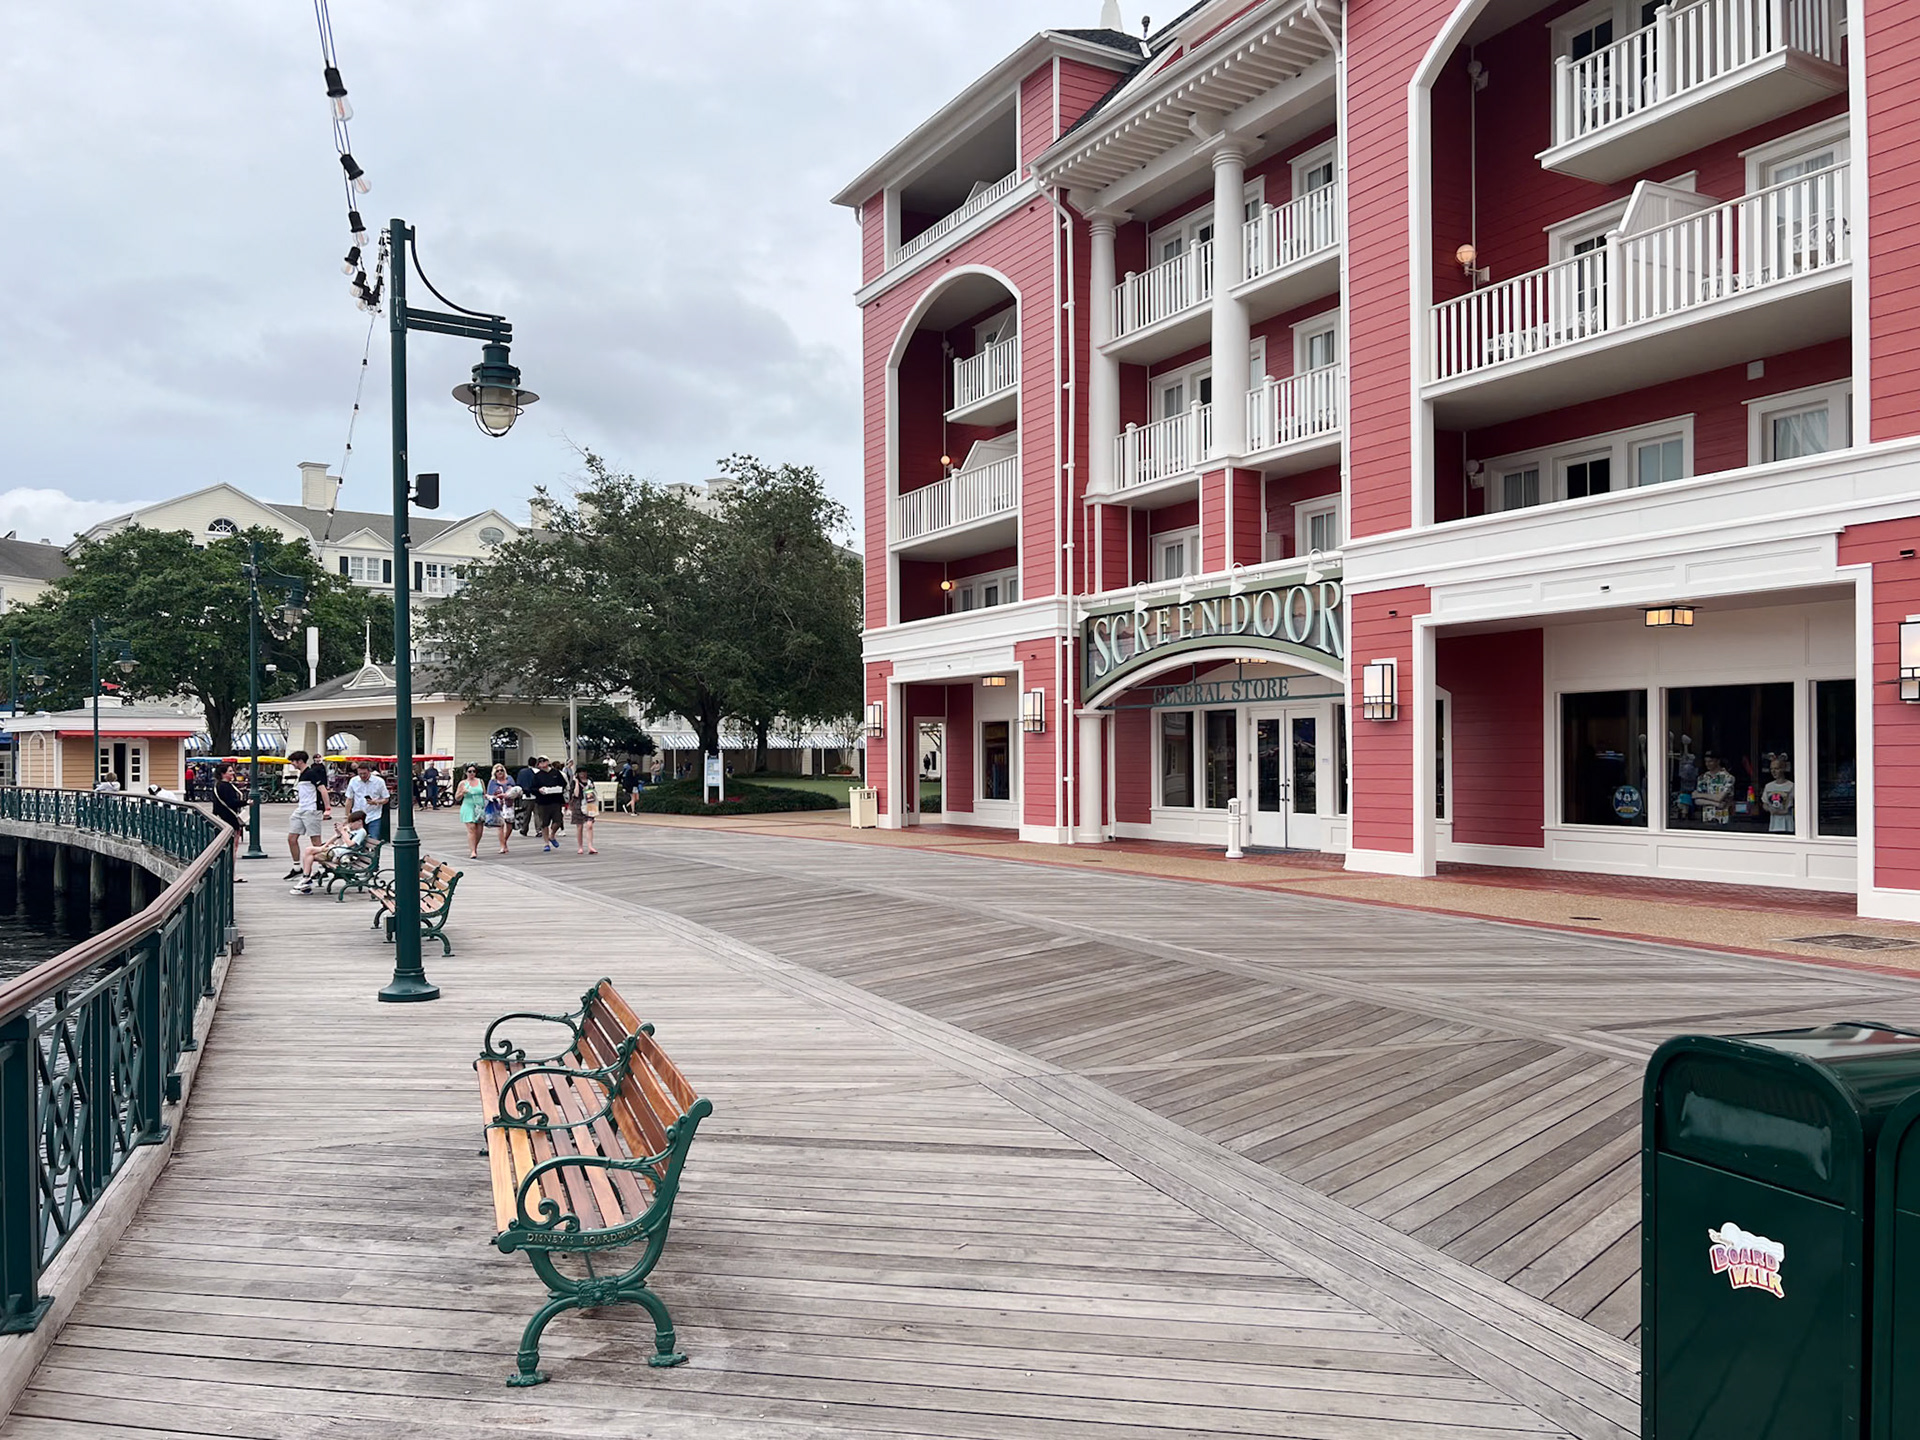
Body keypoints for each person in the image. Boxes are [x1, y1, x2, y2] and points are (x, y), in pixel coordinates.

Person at [290, 809, 367, 895]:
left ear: (360, 821)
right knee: (309, 855)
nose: (350, 825)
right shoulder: (353, 831)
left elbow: (349, 844)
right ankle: (306, 879)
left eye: (352, 822)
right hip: (335, 851)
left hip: (339, 854)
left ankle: (306, 879)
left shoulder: (361, 832)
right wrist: (337, 834)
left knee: (309, 852)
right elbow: (341, 841)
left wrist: (343, 832)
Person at [283, 750, 331, 880]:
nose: (292, 764)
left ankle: (322, 868)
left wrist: (327, 808)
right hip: (301, 809)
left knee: (315, 840)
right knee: (291, 838)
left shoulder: (311, 773)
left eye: (293, 762)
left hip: (312, 810)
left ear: (299, 761)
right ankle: (297, 867)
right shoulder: (302, 774)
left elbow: (323, 790)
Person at [212, 763, 248, 882]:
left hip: (221, 819)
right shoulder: (226, 786)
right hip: (230, 820)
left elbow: (216, 806)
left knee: (224, 848)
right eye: (230, 771)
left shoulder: (217, 786)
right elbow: (232, 802)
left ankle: (223, 873)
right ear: (223, 773)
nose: (233, 773)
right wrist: (246, 802)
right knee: (232, 848)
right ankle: (231, 874)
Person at [346, 761, 391, 841]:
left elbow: (386, 798)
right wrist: (347, 815)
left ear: (369, 772)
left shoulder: (379, 781)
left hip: (373, 815)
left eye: (365, 774)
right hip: (358, 815)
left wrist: (377, 802)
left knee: (374, 840)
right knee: (357, 840)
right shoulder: (353, 781)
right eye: (360, 774)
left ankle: (374, 853)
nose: (362, 776)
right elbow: (349, 799)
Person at [531, 759, 567, 851]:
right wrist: (539, 790)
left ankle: (552, 835)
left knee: (558, 821)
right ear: (538, 765)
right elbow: (532, 788)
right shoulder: (537, 776)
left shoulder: (556, 773)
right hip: (543, 802)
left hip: (556, 800)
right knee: (544, 823)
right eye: (540, 762)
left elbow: (563, 784)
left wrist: (558, 788)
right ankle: (546, 843)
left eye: (544, 761)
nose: (543, 763)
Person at [456, 765, 488, 859]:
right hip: (468, 806)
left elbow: (484, 794)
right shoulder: (463, 783)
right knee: (472, 828)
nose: (472, 773)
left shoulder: (480, 781)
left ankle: (474, 846)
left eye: (474, 771)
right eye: (470, 771)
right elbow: (457, 797)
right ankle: (473, 851)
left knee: (479, 831)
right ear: (466, 773)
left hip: (479, 807)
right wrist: (462, 793)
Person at [486, 763, 517, 856]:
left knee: (510, 825)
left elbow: (515, 791)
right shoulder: (492, 782)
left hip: (508, 804)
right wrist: (495, 796)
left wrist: (509, 793)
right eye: (497, 771)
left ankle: (504, 840)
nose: (500, 772)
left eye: (501, 770)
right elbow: (489, 794)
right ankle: (502, 846)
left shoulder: (509, 779)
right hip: (497, 805)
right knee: (500, 826)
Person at [570, 767, 599, 855]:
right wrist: (576, 782)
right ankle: (580, 847)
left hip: (590, 803)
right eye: (580, 772)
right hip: (578, 803)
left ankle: (590, 846)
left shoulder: (590, 781)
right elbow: (576, 794)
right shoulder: (575, 782)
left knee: (589, 825)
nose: (582, 774)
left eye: (584, 772)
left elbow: (593, 792)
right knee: (579, 826)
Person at [514, 757, 538, 835]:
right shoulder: (538, 772)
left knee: (526, 814)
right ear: (536, 763)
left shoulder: (522, 772)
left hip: (526, 796)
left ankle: (524, 829)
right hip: (537, 796)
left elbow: (519, 784)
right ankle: (539, 829)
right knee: (537, 814)